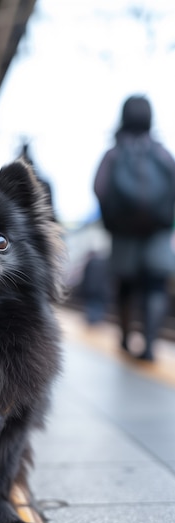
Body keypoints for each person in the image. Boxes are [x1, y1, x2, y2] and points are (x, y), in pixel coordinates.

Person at [94, 95, 175, 361]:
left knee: (125, 286)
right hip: (158, 233)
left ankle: (127, 340)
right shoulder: (162, 154)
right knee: (155, 286)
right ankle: (150, 346)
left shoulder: (114, 153)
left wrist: (114, 219)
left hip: (124, 232)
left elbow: (100, 188)